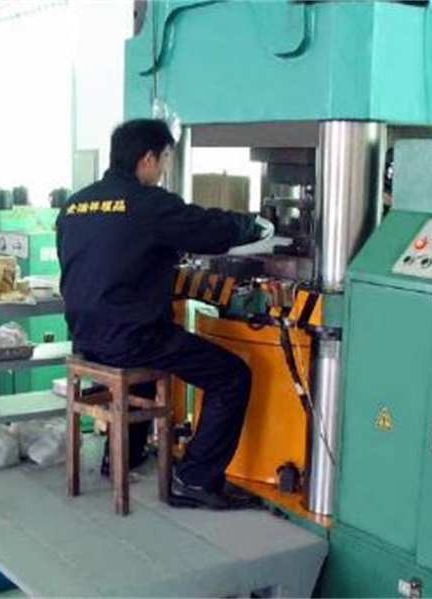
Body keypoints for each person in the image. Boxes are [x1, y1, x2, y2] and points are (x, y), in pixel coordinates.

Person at [56, 119, 274, 511]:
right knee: (232, 376)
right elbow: (205, 227)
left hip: (85, 335)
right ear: (148, 158)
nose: (163, 170)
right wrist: (254, 226)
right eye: (165, 160)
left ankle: (120, 457)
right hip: (131, 339)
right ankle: (195, 479)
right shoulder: (147, 203)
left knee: (144, 355)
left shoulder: (74, 205)